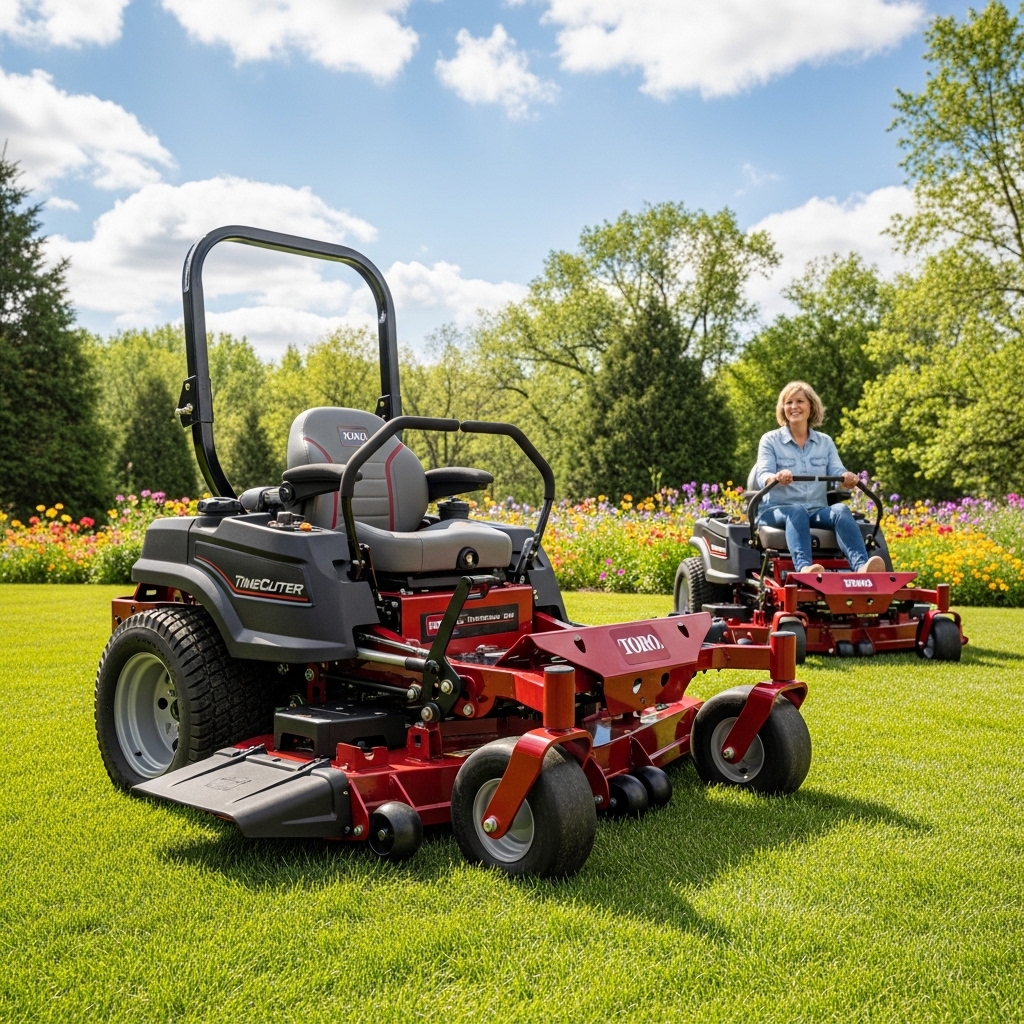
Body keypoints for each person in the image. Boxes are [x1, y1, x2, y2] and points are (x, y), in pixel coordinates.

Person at [753, 381, 885, 574]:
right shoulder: (770, 440)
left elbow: (838, 470)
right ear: (783, 408)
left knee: (840, 509)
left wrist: (846, 477)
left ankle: (862, 567)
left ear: (811, 407)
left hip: (815, 510)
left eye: (800, 401)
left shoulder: (825, 442)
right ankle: (805, 568)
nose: (794, 407)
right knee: (796, 510)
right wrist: (775, 477)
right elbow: (762, 475)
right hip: (776, 511)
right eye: (788, 402)